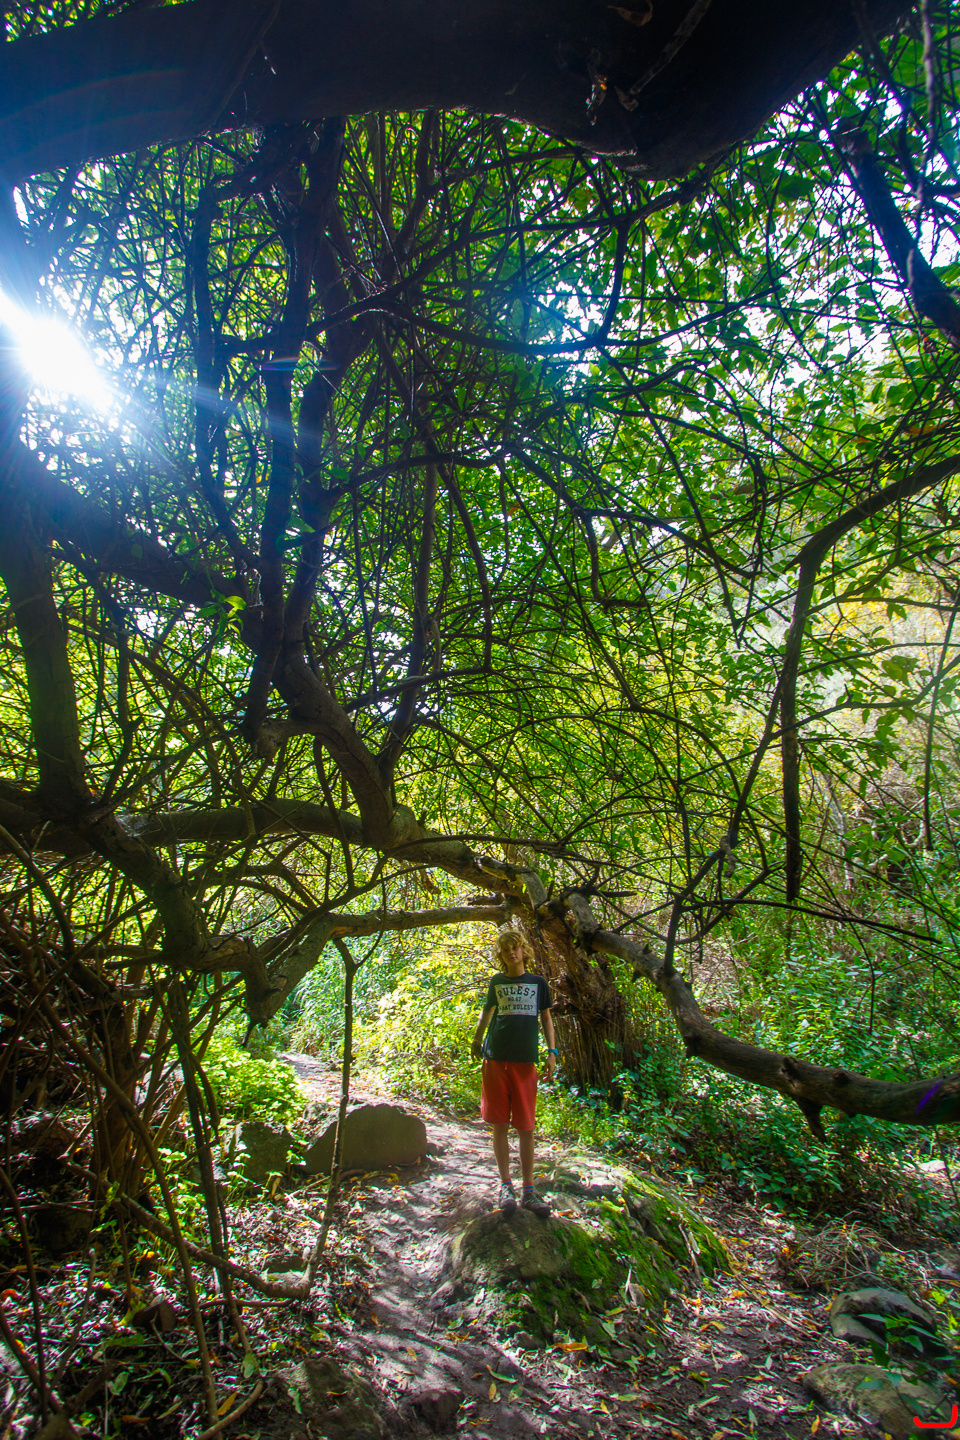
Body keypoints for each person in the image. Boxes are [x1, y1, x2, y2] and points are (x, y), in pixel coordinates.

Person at [470, 928, 558, 1217]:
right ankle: (505, 1185)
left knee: (526, 1127)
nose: (511, 953)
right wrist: (477, 1039)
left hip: (524, 1062)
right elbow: (487, 1011)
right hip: (496, 1059)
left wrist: (552, 1052)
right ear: (501, 954)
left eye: (515, 947)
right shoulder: (497, 981)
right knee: (499, 1124)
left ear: (524, 951)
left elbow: (546, 1018)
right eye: (506, 949)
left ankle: (529, 1190)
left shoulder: (537, 983)